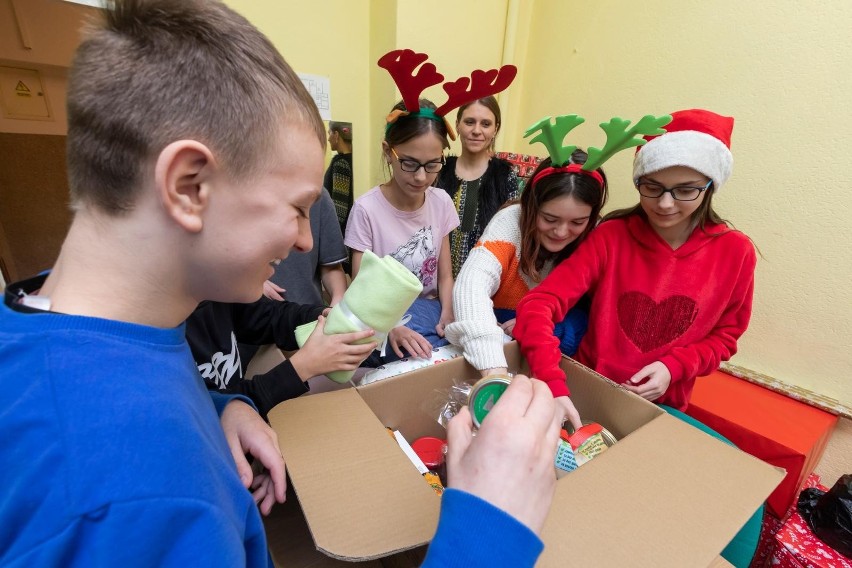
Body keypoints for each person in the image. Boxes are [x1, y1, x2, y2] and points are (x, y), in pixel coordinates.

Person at [0, 3, 564, 565]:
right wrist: (489, 527)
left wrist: (226, 403)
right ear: (189, 186)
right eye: (296, 208)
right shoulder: (132, 497)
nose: (303, 240)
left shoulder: (56, 322)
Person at [515, 109, 756, 413]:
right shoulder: (611, 236)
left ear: (710, 186)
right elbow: (538, 305)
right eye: (652, 188)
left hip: (661, 407)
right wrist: (551, 380)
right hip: (585, 391)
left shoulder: (736, 252)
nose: (665, 203)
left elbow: (725, 337)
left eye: (685, 190)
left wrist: (674, 368)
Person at [446, 150, 607, 430]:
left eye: (577, 223)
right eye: (549, 219)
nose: (561, 232)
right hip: (498, 328)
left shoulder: (594, 239)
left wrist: (534, 324)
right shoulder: (510, 221)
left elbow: (586, 313)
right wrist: (495, 371)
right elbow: (470, 286)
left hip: (546, 332)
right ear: (532, 205)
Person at [345, 98, 459, 362]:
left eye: (432, 164)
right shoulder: (366, 209)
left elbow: (444, 276)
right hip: (383, 313)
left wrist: (448, 313)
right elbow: (361, 288)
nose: (421, 177)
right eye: (409, 163)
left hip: (430, 310)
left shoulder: (441, 202)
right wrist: (391, 327)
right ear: (388, 151)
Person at [186, 296, 375, 418]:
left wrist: (321, 317)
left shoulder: (217, 294)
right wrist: (302, 367)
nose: (306, 245)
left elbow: (268, 316)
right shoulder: (165, 354)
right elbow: (210, 415)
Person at [435, 96, 520, 277]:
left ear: (495, 129)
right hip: (435, 287)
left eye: (486, 124)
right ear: (457, 124)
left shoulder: (505, 177)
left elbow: (513, 236)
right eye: (469, 122)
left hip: (484, 286)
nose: (476, 130)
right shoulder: (438, 171)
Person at [266, 189, 348, 306]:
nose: (306, 244)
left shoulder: (320, 195)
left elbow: (331, 267)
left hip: (309, 314)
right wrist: (250, 285)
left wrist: (338, 302)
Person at [325, 120, 353, 240]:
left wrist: (328, 235)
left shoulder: (341, 163)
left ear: (336, 135)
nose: (328, 139)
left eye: (329, 133)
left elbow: (339, 209)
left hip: (340, 234)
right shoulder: (353, 159)